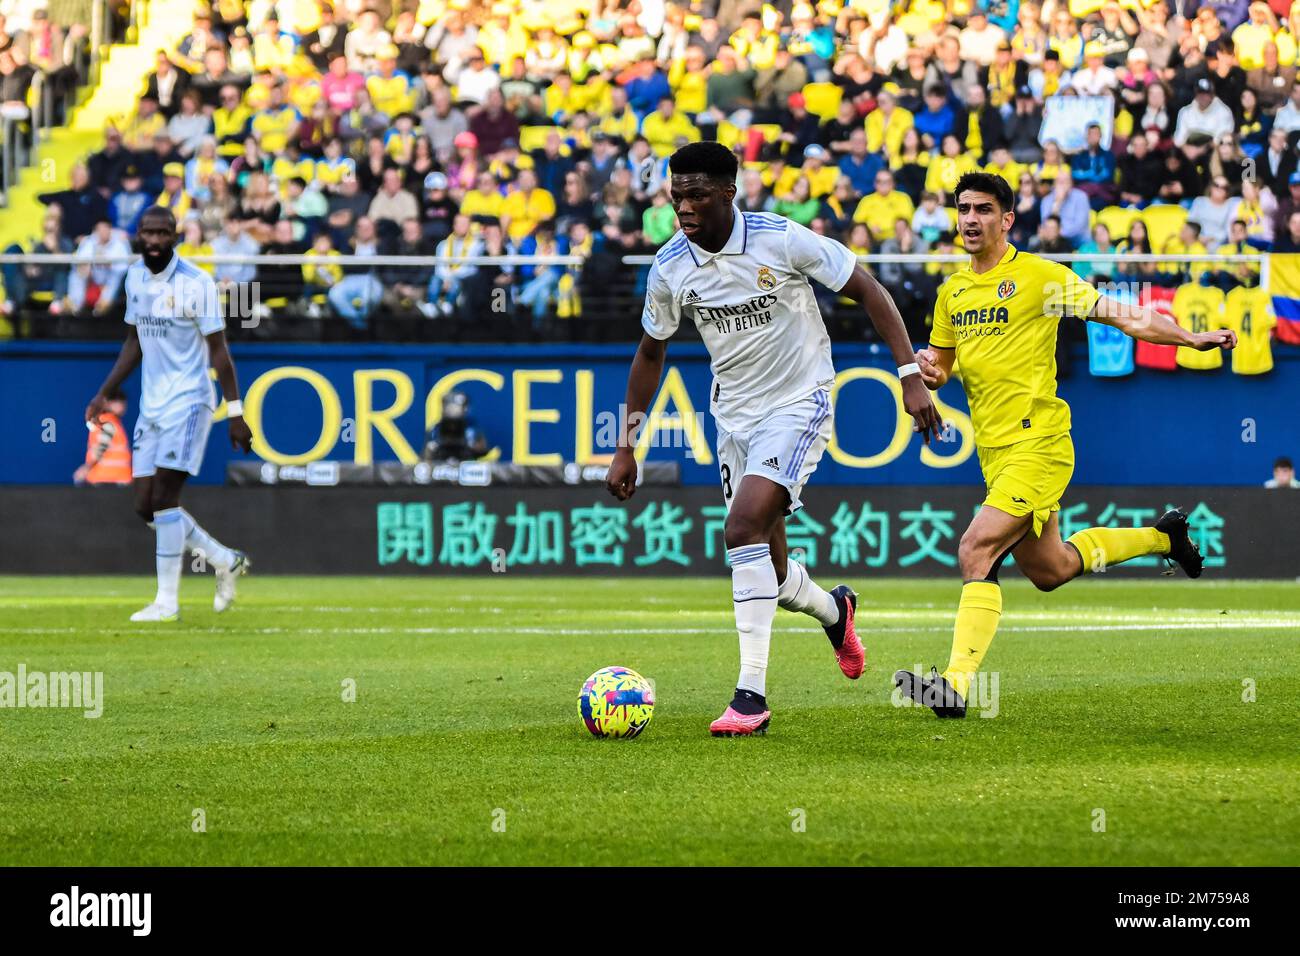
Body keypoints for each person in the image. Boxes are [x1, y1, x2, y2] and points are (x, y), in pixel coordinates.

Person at [605, 142, 942, 737]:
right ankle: (835, 610)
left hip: (799, 401)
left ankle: (750, 698)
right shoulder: (669, 267)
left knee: (740, 530)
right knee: (775, 573)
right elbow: (650, 352)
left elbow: (869, 289)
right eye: (676, 194)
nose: (682, 207)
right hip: (733, 417)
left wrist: (909, 375)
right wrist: (627, 443)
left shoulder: (780, 239)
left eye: (697, 195)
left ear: (729, 193)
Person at [893, 173, 1238, 719]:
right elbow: (943, 365)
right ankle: (1163, 538)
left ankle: (955, 685)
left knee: (975, 548)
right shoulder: (952, 292)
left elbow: (1123, 313)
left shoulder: (1040, 277)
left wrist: (1189, 338)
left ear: (1007, 219)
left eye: (984, 209)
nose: (970, 219)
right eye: (963, 209)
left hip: (1041, 444)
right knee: (1050, 570)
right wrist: (930, 370)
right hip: (996, 453)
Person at [83, 206, 253, 623]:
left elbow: (220, 352)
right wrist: (104, 392)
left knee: (164, 498)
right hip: (152, 404)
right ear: (138, 235)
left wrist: (236, 412)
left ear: (175, 236)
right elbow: (133, 343)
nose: (155, 241)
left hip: (191, 401)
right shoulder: (135, 277)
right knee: (144, 505)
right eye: (148, 233)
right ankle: (224, 558)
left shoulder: (198, 283)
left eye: (163, 233)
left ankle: (167, 601)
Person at [74, 388, 132, 486]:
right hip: (107, 481)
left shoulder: (111, 422)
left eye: (123, 402)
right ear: (107, 403)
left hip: (115, 479)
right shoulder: (107, 422)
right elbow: (101, 447)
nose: (123, 406)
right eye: (117, 401)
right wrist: (86, 468)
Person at [423, 391, 488, 462]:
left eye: (458, 406)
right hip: (441, 465)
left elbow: (482, 450)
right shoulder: (436, 429)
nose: (453, 410)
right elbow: (427, 454)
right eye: (450, 406)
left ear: (465, 408)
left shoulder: (472, 428)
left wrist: (471, 445)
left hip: (466, 465)